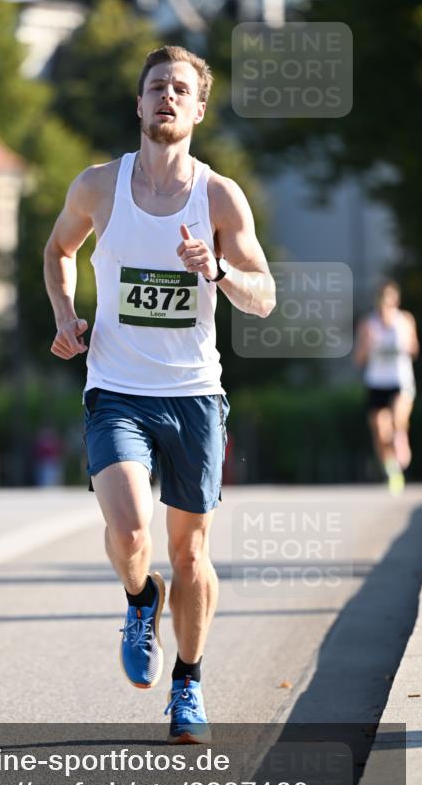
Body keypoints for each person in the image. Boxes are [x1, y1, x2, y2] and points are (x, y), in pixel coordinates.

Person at [43, 45, 275, 743]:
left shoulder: (217, 198)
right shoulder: (97, 187)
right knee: (130, 530)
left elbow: (262, 296)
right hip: (115, 388)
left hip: (194, 396)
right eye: (155, 88)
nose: (166, 97)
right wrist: (65, 315)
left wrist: (217, 274)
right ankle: (139, 599)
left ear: (198, 109)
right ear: (138, 105)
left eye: (180, 89)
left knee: (191, 554)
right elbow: (58, 251)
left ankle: (188, 683)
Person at [354, 280, 419, 494]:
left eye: (389, 297)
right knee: (381, 433)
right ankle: (392, 470)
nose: (385, 302)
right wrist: (368, 346)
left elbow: (414, 350)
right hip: (376, 382)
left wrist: (406, 344)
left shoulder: (405, 320)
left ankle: (401, 438)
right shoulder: (368, 324)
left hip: (400, 380)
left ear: (396, 300)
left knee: (398, 418)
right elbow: (359, 359)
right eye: (382, 297)